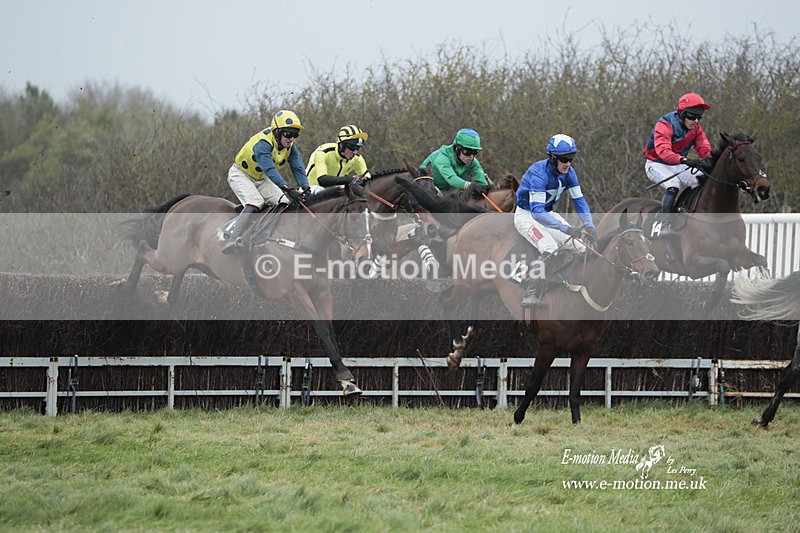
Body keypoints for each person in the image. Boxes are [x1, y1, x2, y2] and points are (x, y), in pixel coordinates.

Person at [514, 134, 597, 308]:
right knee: (549, 247)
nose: (568, 163)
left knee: (581, 247)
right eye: (564, 159)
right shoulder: (538, 174)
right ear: (552, 158)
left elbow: (579, 201)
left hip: (547, 213)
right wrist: (565, 228)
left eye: (571, 158)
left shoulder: (570, 173)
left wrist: (589, 224)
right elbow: (537, 213)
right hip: (527, 215)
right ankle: (531, 292)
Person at [221, 110, 310, 254]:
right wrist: (288, 189)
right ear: (277, 132)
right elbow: (270, 170)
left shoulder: (290, 147)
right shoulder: (263, 143)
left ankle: (266, 235)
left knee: (284, 205)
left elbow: (298, 168)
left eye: (295, 135)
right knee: (255, 202)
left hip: (261, 178)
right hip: (241, 175)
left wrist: (306, 188)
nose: (291, 138)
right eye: (288, 134)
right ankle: (233, 239)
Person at [643, 92, 713, 236]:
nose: (696, 121)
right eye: (692, 116)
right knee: (673, 185)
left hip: (677, 163)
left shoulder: (696, 129)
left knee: (702, 181)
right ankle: (664, 222)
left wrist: (709, 160)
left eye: (699, 117)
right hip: (656, 164)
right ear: (682, 114)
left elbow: (703, 147)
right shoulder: (664, 125)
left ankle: (685, 211)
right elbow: (663, 151)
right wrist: (686, 160)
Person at [419, 128, 490, 196]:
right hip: (426, 187)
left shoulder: (473, 162)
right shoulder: (442, 157)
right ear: (457, 148)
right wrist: (471, 186)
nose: (471, 156)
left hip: (448, 189)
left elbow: (482, 181)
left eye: (475, 152)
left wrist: (486, 187)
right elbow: (451, 179)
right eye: (467, 152)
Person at [305, 125, 371, 192]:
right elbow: (322, 180)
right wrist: (349, 179)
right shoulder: (323, 152)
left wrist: (363, 181)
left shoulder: (357, 159)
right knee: (320, 190)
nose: (355, 152)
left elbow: (368, 179)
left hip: (335, 192)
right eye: (352, 147)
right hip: (311, 189)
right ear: (341, 144)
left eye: (358, 148)